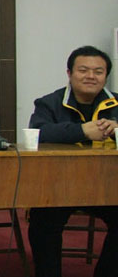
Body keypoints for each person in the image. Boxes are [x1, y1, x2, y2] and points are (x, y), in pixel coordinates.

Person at [28, 45, 118, 277]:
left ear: (106, 76)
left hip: (107, 186)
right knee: (42, 222)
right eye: (83, 70)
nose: (91, 76)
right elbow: (39, 132)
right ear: (69, 73)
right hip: (58, 185)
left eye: (98, 71)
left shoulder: (116, 104)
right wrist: (82, 131)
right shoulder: (49, 103)